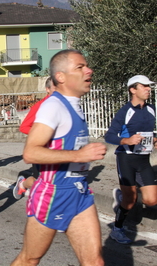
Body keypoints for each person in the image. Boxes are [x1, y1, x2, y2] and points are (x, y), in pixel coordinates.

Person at [11, 50, 106, 266]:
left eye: (87, 66)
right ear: (61, 77)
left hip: (79, 191)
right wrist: (80, 154)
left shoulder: (74, 104)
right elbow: (30, 152)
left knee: (94, 262)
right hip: (53, 194)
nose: (88, 70)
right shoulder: (53, 106)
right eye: (80, 67)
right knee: (30, 259)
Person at [105, 75, 157, 244]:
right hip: (126, 158)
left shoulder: (151, 109)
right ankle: (117, 229)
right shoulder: (125, 111)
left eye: (149, 86)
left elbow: (148, 133)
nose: (148, 89)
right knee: (130, 200)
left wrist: (155, 139)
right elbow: (110, 135)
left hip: (143, 159)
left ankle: (123, 194)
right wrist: (126, 140)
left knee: (151, 200)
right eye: (144, 86)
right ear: (132, 89)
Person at [13, 77, 55, 199]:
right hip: (40, 150)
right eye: (55, 87)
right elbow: (24, 127)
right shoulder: (40, 106)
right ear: (47, 89)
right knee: (40, 182)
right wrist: (42, 134)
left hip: (57, 151)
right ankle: (23, 183)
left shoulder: (64, 105)